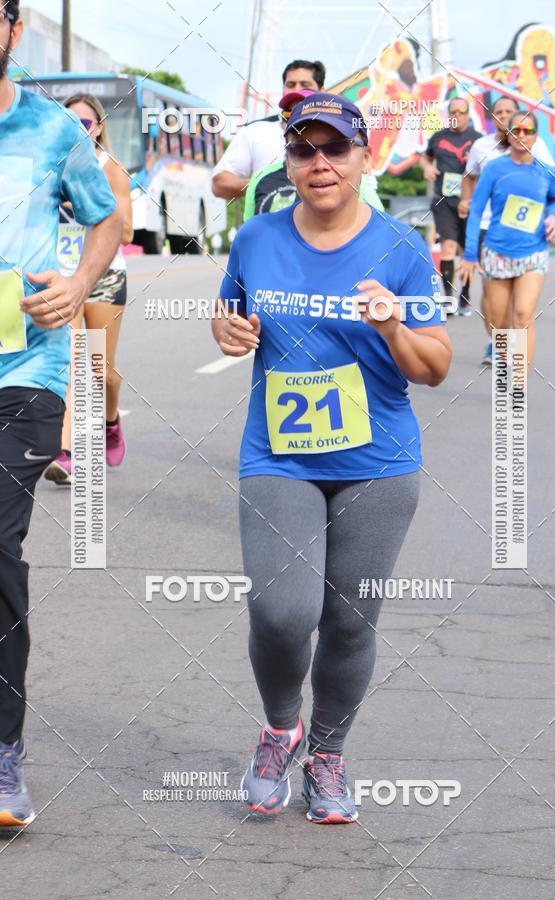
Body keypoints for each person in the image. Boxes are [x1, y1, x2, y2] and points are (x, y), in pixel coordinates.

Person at [212, 92, 451, 824]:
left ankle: (327, 754)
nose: (319, 163)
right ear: (287, 163)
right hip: (279, 455)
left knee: (349, 620)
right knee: (282, 612)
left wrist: (393, 328)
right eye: (303, 150)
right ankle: (279, 729)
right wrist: (227, 332)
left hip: (378, 461)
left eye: (335, 148)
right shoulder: (256, 238)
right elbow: (229, 314)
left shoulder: (401, 249)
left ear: (362, 157)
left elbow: (435, 367)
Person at [0, 2, 122, 828]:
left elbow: (106, 217)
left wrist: (78, 285)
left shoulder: (51, 129)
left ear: (13, 29)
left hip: (26, 367)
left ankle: (2, 753)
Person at [44, 93, 133, 485]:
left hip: (104, 277)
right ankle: (64, 454)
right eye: (69, 123)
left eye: (84, 124)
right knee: (67, 365)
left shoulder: (110, 168)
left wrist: (83, 201)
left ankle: (111, 420)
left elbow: (125, 232)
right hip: (63, 278)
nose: (77, 131)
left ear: (98, 128)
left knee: (102, 371)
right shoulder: (48, 167)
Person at [460, 110, 555, 369]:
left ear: (536, 136)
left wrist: (554, 217)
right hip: (497, 252)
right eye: (516, 130)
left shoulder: (547, 171)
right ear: (508, 133)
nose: (521, 135)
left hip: (533, 252)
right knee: (500, 323)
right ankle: (505, 371)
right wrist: (470, 255)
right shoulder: (494, 169)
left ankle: (519, 382)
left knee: (524, 315)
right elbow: (475, 211)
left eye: (528, 131)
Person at [243, 89, 384, 219]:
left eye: (337, 150)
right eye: (303, 151)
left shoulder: (386, 230)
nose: (320, 165)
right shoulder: (262, 180)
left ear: (365, 158)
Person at [211, 60, 326, 201]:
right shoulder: (255, 131)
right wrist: (264, 183)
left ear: (322, 91)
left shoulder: (338, 132)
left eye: (305, 85)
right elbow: (219, 184)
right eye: (290, 85)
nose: (297, 90)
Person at [421, 98, 481, 315]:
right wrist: (427, 167)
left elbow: (488, 169)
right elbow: (425, 158)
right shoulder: (438, 137)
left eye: (461, 111)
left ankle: (465, 295)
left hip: (470, 201)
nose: (457, 115)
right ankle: (447, 297)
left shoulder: (478, 140)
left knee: (466, 250)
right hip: (443, 200)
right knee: (448, 246)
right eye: (453, 111)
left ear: (468, 115)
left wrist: (474, 160)